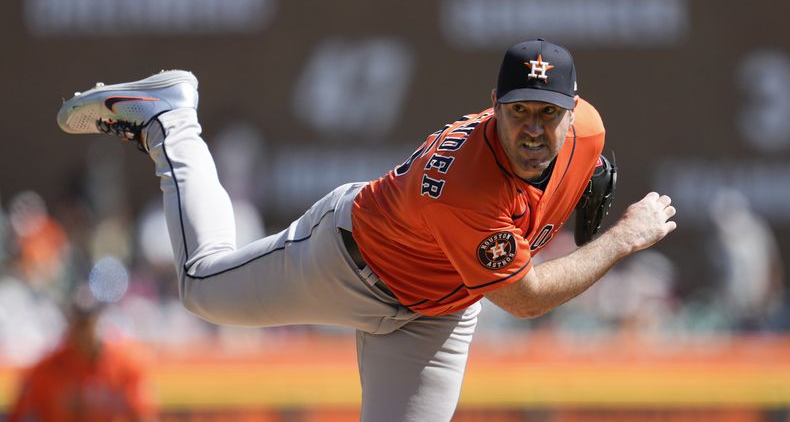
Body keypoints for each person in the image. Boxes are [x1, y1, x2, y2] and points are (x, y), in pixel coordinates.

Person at [57, 39, 676, 421]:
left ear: (574, 108)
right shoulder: (466, 187)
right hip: (349, 265)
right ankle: (170, 120)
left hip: (439, 311)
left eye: (549, 112)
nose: (535, 128)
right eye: (519, 112)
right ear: (495, 104)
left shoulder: (587, 130)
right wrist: (624, 237)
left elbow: (579, 165)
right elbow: (525, 299)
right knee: (199, 284)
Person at [7, 285, 157, 422]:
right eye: (77, 322)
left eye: (87, 323)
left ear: (99, 321)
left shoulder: (126, 363)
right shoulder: (47, 369)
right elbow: (20, 416)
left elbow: (143, 415)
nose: (82, 330)